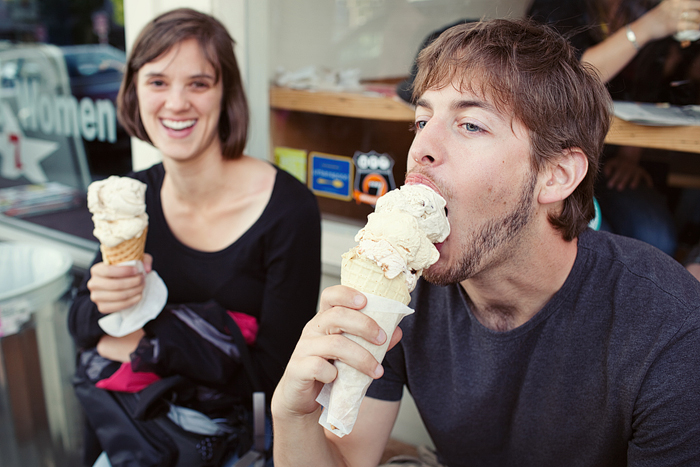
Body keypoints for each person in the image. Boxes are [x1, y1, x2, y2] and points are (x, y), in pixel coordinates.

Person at [271, 18, 700, 467]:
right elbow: (346, 460)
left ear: (556, 175)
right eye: (421, 120)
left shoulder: (670, 329)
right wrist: (294, 416)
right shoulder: (402, 288)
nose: (420, 149)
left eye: (471, 125)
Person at [68, 8, 321, 466]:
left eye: (199, 83)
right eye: (158, 81)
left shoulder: (289, 210)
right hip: (139, 432)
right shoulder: (132, 195)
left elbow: (276, 376)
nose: (177, 103)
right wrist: (106, 300)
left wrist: (149, 339)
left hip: (238, 444)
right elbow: (83, 326)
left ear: (226, 95)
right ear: (135, 91)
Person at [528, 0, 700, 257]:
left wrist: (631, 155)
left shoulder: (648, 6)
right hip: (557, 158)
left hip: (613, 161)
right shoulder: (556, 6)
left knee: (657, 240)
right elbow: (571, 78)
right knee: (588, 247)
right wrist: (651, 25)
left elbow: (653, 91)